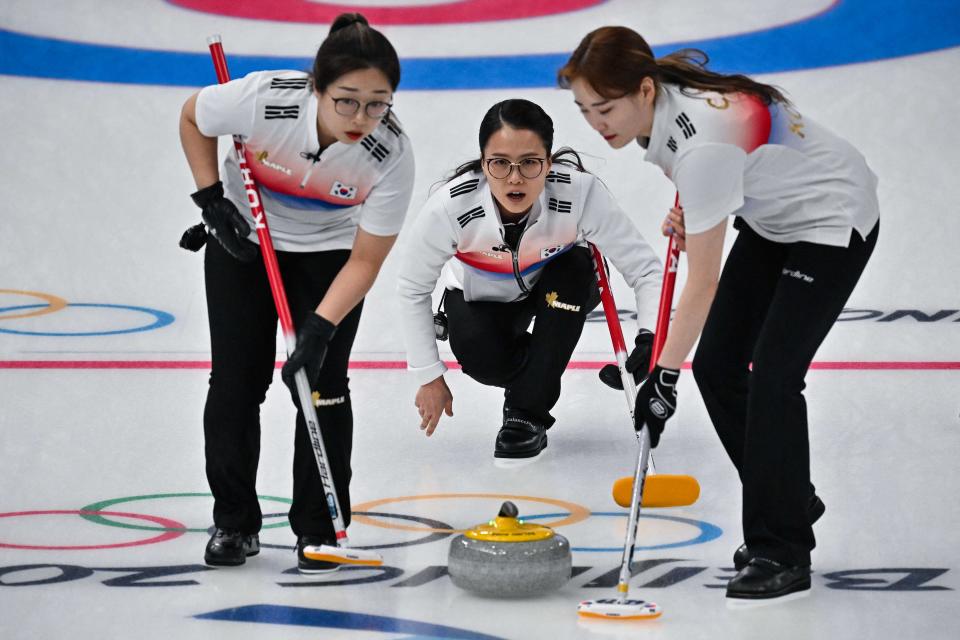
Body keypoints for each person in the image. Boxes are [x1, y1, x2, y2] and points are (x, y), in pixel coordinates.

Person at [559, 27, 879, 601]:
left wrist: (662, 375)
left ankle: (780, 547)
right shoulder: (669, 108)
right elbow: (716, 164)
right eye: (584, 110)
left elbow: (701, 284)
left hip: (831, 218)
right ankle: (786, 492)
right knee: (719, 367)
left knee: (773, 376)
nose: (596, 122)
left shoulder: (702, 145)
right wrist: (699, 208)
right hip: (773, 216)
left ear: (645, 90)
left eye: (605, 108)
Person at [178, 13, 414, 573]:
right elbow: (192, 116)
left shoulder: (391, 154)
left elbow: (366, 258)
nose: (362, 118)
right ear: (318, 88)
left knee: (322, 386)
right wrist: (212, 198)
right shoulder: (265, 99)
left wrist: (321, 326)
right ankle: (234, 521)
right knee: (237, 382)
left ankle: (320, 529)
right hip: (245, 244)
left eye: (377, 103)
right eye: (347, 101)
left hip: (331, 258)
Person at [397, 99, 662, 463]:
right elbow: (412, 287)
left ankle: (526, 415)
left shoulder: (579, 193)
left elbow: (646, 269)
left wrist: (651, 337)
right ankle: (534, 380)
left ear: (549, 163)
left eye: (530, 163)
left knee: (571, 274)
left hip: (560, 282)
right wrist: (429, 375)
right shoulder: (452, 207)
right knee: (482, 357)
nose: (515, 177)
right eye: (500, 163)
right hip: (484, 295)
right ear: (483, 162)